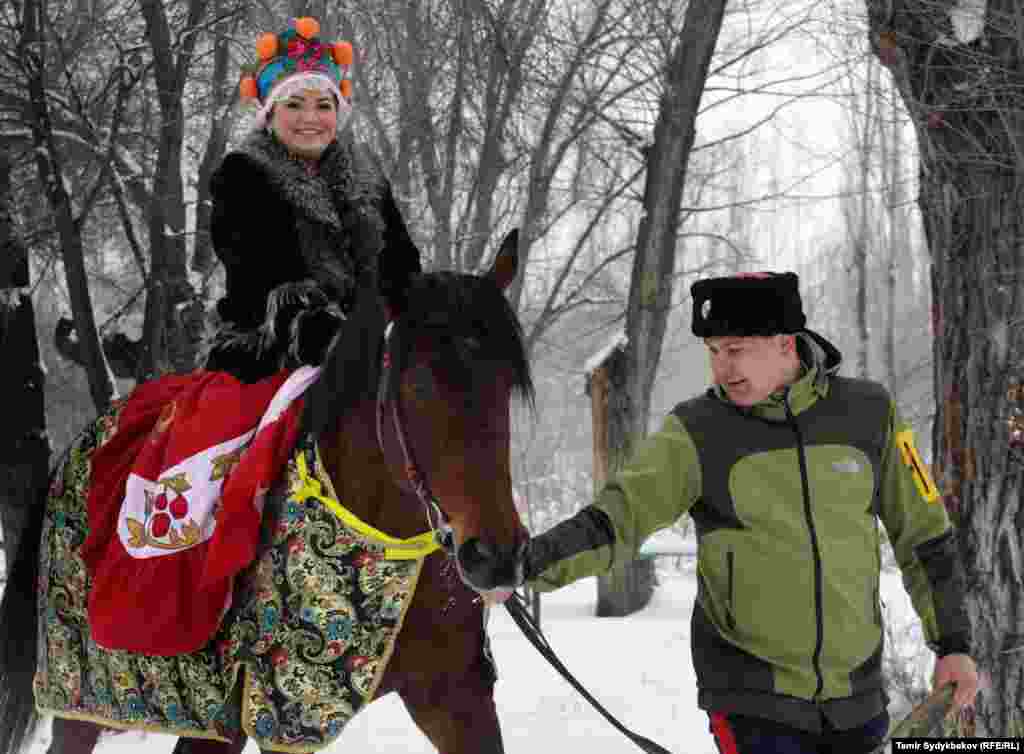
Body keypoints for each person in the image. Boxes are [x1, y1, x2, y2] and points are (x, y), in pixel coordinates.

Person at [468, 272, 979, 753]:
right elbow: (616, 520)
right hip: (751, 700)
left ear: (786, 342)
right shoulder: (699, 429)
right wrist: (526, 563)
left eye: (736, 350)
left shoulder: (869, 413)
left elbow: (925, 537)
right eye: (713, 351)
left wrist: (953, 643)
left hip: (859, 699)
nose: (722, 368)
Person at [203, 16, 421, 383]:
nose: (311, 118)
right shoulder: (242, 174)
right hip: (270, 351)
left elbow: (402, 264)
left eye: (324, 105)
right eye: (294, 105)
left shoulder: (368, 177)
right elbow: (255, 276)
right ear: (269, 115)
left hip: (375, 349)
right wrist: (323, 330)